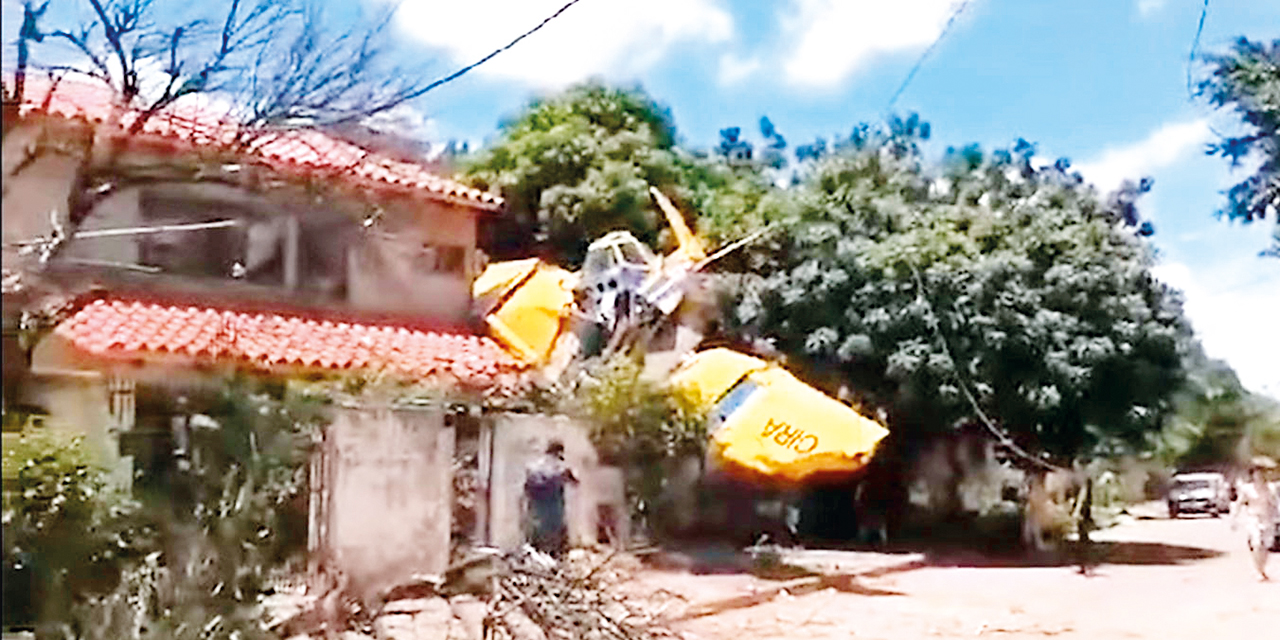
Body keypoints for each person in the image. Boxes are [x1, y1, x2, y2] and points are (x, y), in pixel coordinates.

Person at [524, 440, 579, 556]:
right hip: (554, 515)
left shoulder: (533, 467)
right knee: (557, 548)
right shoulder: (561, 467)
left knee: (535, 548)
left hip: (536, 513)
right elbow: (575, 483)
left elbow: (526, 489)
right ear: (559, 452)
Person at [1233, 459, 1279, 581]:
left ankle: (1262, 569)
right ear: (1252, 475)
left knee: (1266, 546)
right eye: (1256, 474)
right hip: (1253, 518)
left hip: (1268, 519)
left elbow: (1275, 504)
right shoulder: (1247, 489)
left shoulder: (1270, 489)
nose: (1258, 476)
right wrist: (1234, 519)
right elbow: (1238, 503)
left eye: (1261, 473)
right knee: (1256, 544)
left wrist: (1276, 517)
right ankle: (1258, 571)